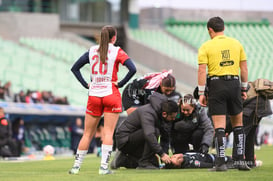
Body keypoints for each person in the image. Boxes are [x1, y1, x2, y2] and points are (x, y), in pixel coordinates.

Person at [69, 25, 136, 175]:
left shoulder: (92, 50)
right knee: (108, 133)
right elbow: (132, 69)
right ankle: (103, 168)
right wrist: (121, 83)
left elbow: (75, 68)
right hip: (111, 93)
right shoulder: (117, 51)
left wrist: (86, 84)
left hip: (94, 94)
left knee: (87, 134)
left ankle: (75, 168)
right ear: (114, 37)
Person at [198, 16, 250, 171]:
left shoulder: (206, 46)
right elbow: (244, 69)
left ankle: (220, 163)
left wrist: (201, 92)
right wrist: (243, 88)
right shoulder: (236, 44)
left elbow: (202, 70)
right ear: (223, 28)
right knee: (238, 125)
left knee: (219, 127)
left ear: (210, 30)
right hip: (234, 83)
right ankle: (241, 162)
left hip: (216, 85)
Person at [112, 92, 178, 169]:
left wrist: (164, 156)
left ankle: (123, 160)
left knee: (154, 163)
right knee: (154, 132)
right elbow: (149, 134)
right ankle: (144, 162)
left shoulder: (161, 113)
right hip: (124, 140)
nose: (173, 119)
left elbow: (165, 136)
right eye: (172, 117)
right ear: (164, 114)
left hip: (135, 139)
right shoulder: (148, 113)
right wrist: (161, 154)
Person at [225, 80, 272, 167]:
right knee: (250, 135)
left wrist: (226, 130)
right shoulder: (236, 87)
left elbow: (231, 114)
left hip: (254, 107)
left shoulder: (227, 95)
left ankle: (236, 161)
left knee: (240, 133)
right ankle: (250, 161)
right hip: (261, 106)